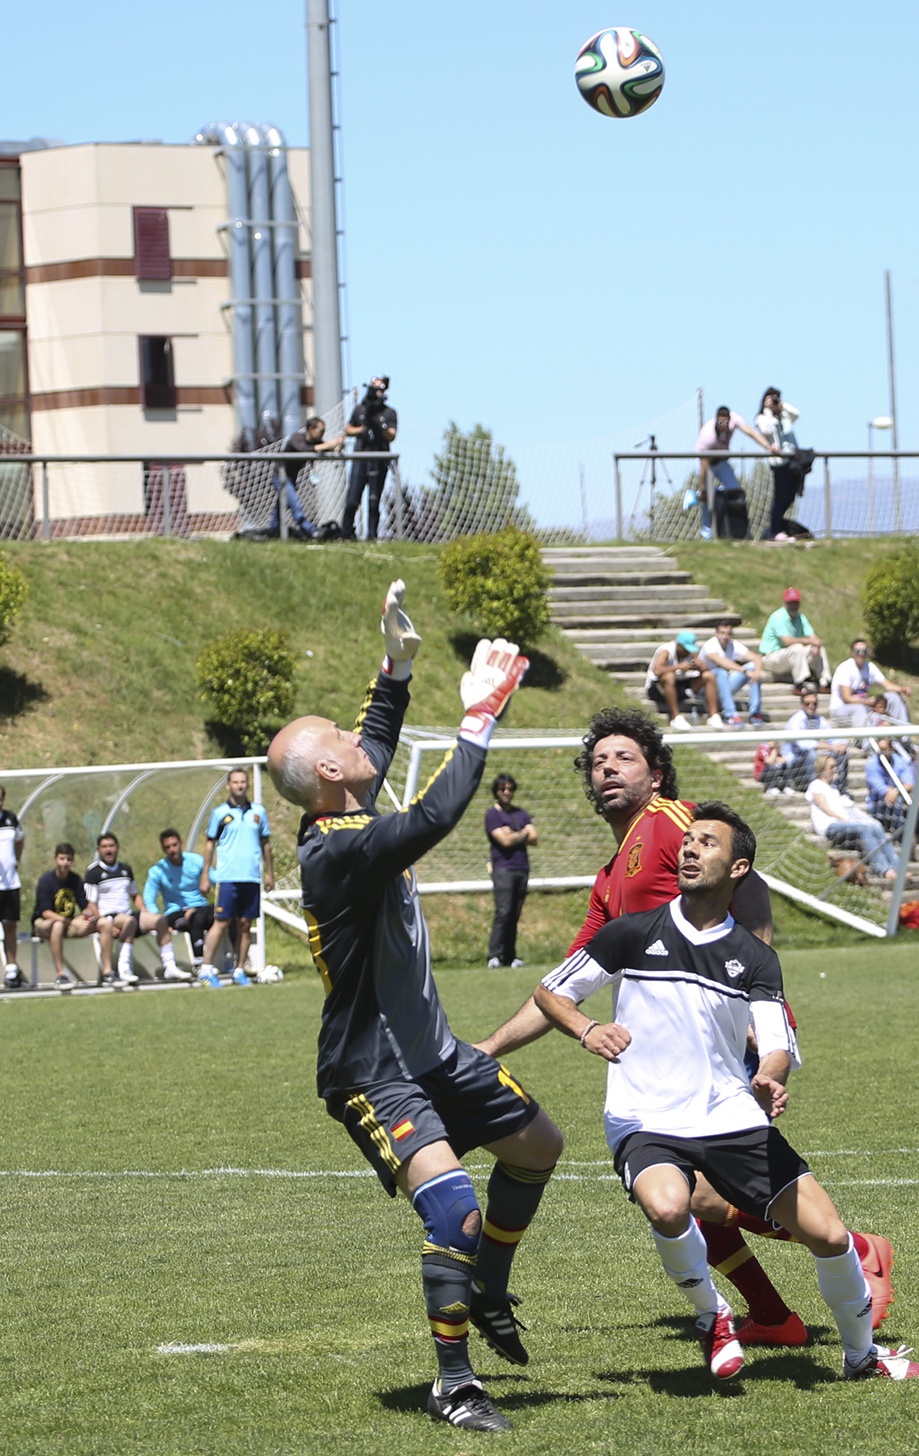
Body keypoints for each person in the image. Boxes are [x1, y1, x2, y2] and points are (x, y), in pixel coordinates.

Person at [476, 706, 894, 1343]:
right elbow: (564, 988)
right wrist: (490, 1047)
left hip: (737, 1035)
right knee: (690, 1192)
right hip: (672, 1062)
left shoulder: (672, 822)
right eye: (597, 761)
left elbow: (742, 880)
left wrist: (754, 998)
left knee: (697, 1192)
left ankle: (852, 1248)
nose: (607, 768)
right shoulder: (609, 880)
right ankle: (776, 1318)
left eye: (624, 757)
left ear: (656, 772)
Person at [266, 582, 563, 1433]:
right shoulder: (336, 851)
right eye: (342, 740)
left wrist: (397, 667)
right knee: (455, 1212)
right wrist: (481, 714)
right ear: (328, 770)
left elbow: (380, 741)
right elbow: (437, 812)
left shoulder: (350, 804)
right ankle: (454, 1384)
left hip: (433, 1051)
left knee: (540, 1146)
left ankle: (491, 1287)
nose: (358, 742)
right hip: (373, 1070)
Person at [533, 802, 919, 1383]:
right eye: (687, 842)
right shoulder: (632, 933)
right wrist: (588, 1029)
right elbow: (551, 993)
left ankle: (861, 1356)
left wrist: (772, 1076)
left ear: (738, 867)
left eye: (707, 844)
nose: (690, 849)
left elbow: (775, 1043)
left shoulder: (754, 958)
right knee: (668, 1205)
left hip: (728, 1114)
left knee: (831, 1235)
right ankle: (712, 1315)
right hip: (646, 1115)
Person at [199, 769, 274, 985]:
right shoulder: (219, 813)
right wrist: (205, 874)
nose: (239, 786)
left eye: (243, 782)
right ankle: (205, 968)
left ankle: (239, 969)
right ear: (228, 785)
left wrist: (270, 872)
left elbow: (266, 844)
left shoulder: (258, 812)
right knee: (221, 922)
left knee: (244, 924)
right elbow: (209, 844)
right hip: (228, 877)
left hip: (251, 877)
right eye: (235, 782)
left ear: (247, 785)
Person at [83, 832, 188, 985]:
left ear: (117, 848)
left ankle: (170, 966)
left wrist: (145, 912)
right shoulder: (94, 872)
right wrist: (102, 921)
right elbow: (91, 903)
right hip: (109, 916)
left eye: (111, 846)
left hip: (127, 914)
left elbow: (135, 895)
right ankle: (124, 968)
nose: (108, 850)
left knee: (160, 920)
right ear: (98, 850)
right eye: (104, 847)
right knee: (129, 921)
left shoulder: (125, 869)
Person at [806, 755, 898, 880]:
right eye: (831, 767)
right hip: (830, 826)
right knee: (864, 828)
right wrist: (843, 819)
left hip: (843, 824)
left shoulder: (834, 789)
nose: (835, 769)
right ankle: (883, 869)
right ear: (822, 769)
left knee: (876, 826)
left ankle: (897, 867)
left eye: (835, 766)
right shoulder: (816, 785)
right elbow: (825, 808)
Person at [694, 405, 778, 540]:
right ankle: (707, 534)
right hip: (706, 464)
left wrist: (767, 446)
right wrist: (703, 488)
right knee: (707, 499)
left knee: (735, 492)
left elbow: (750, 432)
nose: (724, 426)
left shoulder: (734, 419)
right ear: (716, 420)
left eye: (726, 422)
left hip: (722, 463)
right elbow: (703, 463)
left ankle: (735, 529)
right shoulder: (707, 435)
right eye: (721, 422)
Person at [143, 829, 214, 975]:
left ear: (181, 844)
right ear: (164, 849)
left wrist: (209, 882)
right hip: (174, 913)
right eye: (168, 847)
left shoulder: (196, 861)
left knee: (225, 913)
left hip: (200, 907)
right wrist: (158, 920)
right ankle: (199, 962)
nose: (172, 850)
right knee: (195, 915)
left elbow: (216, 878)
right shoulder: (158, 870)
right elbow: (149, 898)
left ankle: (237, 964)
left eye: (174, 845)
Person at [485, 774, 537, 969]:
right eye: (502, 789)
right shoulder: (493, 815)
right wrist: (522, 833)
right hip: (503, 869)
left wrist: (515, 833)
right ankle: (494, 955)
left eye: (509, 789)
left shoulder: (520, 813)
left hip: (522, 868)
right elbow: (504, 841)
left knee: (515, 914)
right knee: (503, 912)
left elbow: (534, 837)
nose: (506, 793)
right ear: (496, 791)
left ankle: (510, 956)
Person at [31, 843, 96, 989]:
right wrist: (72, 922)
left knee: (103, 923)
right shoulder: (46, 880)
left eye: (68, 859)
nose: (65, 863)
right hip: (44, 923)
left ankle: (108, 971)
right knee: (58, 925)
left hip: (68, 922)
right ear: (55, 859)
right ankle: (61, 975)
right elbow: (45, 912)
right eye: (62, 859)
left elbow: (84, 904)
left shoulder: (76, 879)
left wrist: (88, 914)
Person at [342, 376, 397, 541]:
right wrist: (363, 429)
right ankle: (346, 532)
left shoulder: (389, 412)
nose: (378, 393)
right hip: (360, 459)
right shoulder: (360, 410)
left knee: (374, 501)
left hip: (379, 460)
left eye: (381, 390)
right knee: (352, 499)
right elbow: (348, 429)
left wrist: (380, 426)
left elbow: (392, 436)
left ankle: (372, 535)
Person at [272, 416, 343, 540]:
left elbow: (330, 450)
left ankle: (271, 531)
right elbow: (304, 449)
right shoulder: (297, 438)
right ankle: (310, 530)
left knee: (281, 507)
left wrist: (338, 445)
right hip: (281, 476)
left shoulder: (316, 442)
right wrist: (327, 445)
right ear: (310, 428)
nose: (323, 434)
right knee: (295, 504)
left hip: (292, 478)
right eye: (321, 431)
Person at [755, 387, 809, 540]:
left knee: (790, 496)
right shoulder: (761, 417)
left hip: (793, 460)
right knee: (780, 497)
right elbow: (767, 430)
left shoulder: (784, 414)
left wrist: (781, 406)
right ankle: (775, 530)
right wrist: (768, 411)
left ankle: (778, 527)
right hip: (779, 462)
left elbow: (797, 414)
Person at [644, 630, 724, 732]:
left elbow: (704, 668)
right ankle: (675, 717)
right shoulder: (666, 651)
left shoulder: (690, 654)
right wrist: (678, 667)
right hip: (659, 688)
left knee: (709, 676)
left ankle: (713, 715)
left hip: (679, 685)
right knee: (669, 676)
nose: (686, 652)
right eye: (685, 649)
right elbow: (657, 671)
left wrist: (697, 666)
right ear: (678, 645)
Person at [758, 587, 832, 691]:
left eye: (796, 603)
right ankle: (799, 683)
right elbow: (787, 641)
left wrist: (816, 645)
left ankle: (825, 682)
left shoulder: (800, 617)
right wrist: (810, 641)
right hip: (771, 658)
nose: (793, 606)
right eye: (790, 603)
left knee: (820, 649)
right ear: (785, 603)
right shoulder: (778, 617)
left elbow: (812, 636)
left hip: (788, 657)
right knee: (797, 648)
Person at [829, 639, 912, 730]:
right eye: (858, 651)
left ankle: (904, 734)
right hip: (841, 710)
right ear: (852, 653)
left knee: (893, 697)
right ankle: (865, 742)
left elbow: (887, 685)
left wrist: (902, 689)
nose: (861, 654)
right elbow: (847, 698)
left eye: (864, 651)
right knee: (859, 708)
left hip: (864, 706)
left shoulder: (869, 667)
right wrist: (866, 702)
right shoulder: (845, 668)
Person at [698, 620, 765, 726]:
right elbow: (721, 661)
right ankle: (730, 714)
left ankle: (755, 713)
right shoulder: (710, 645)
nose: (725, 636)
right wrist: (745, 671)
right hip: (706, 689)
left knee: (752, 667)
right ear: (716, 633)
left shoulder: (733, 644)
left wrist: (756, 672)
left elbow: (756, 658)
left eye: (728, 634)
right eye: (722, 633)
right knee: (720, 672)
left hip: (724, 686)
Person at [785, 684, 849, 791]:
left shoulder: (819, 719)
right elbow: (804, 745)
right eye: (807, 703)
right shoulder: (795, 721)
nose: (811, 706)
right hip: (794, 763)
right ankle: (815, 790)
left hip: (812, 757)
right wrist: (831, 747)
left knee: (841, 753)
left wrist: (841, 744)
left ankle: (840, 790)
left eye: (814, 703)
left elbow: (832, 736)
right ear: (801, 704)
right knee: (811, 754)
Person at [0, 784, 25, 987]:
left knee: (10, 926)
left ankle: (11, 970)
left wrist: (17, 858)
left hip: (9, 885)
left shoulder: (10, 819)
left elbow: (20, 838)